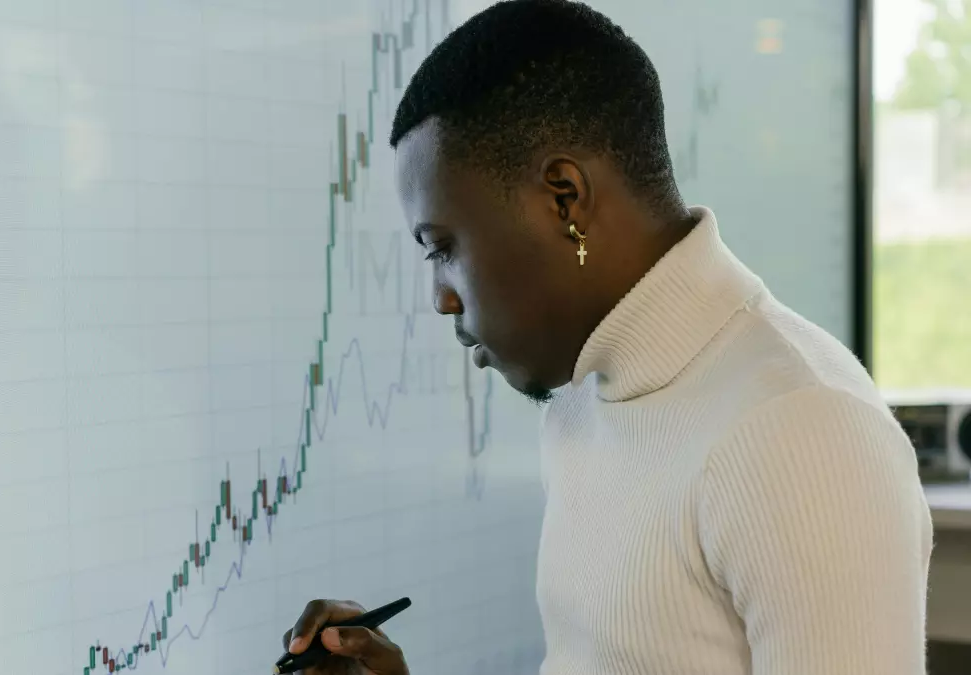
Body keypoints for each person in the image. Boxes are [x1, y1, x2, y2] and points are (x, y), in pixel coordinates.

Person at [281, 0, 934, 673]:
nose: (442, 298)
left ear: (565, 197)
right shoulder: (586, 399)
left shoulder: (799, 428)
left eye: (444, 247)